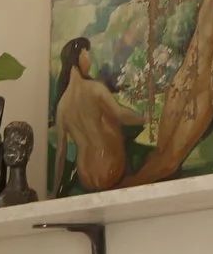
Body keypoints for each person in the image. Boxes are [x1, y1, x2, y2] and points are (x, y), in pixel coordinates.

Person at [52, 33, 147, 192]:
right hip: (109, 170)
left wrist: (55, 191)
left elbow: (61, 152)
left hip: (87, 177)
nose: (89, 60)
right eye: (86, 54)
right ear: (77, 59)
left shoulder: (62, 106)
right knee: (110, 117)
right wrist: (144, 118)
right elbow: (121, 115)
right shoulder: (95, 89)